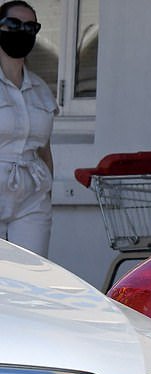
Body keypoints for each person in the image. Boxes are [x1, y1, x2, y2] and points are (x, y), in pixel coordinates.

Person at [0, 0, 55, 257]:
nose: (22, 31)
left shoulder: (41, 89)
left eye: (30, 26)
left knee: (32, 275)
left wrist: (49, 186)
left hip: (33, 193)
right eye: (13, 24)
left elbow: (45, 149)